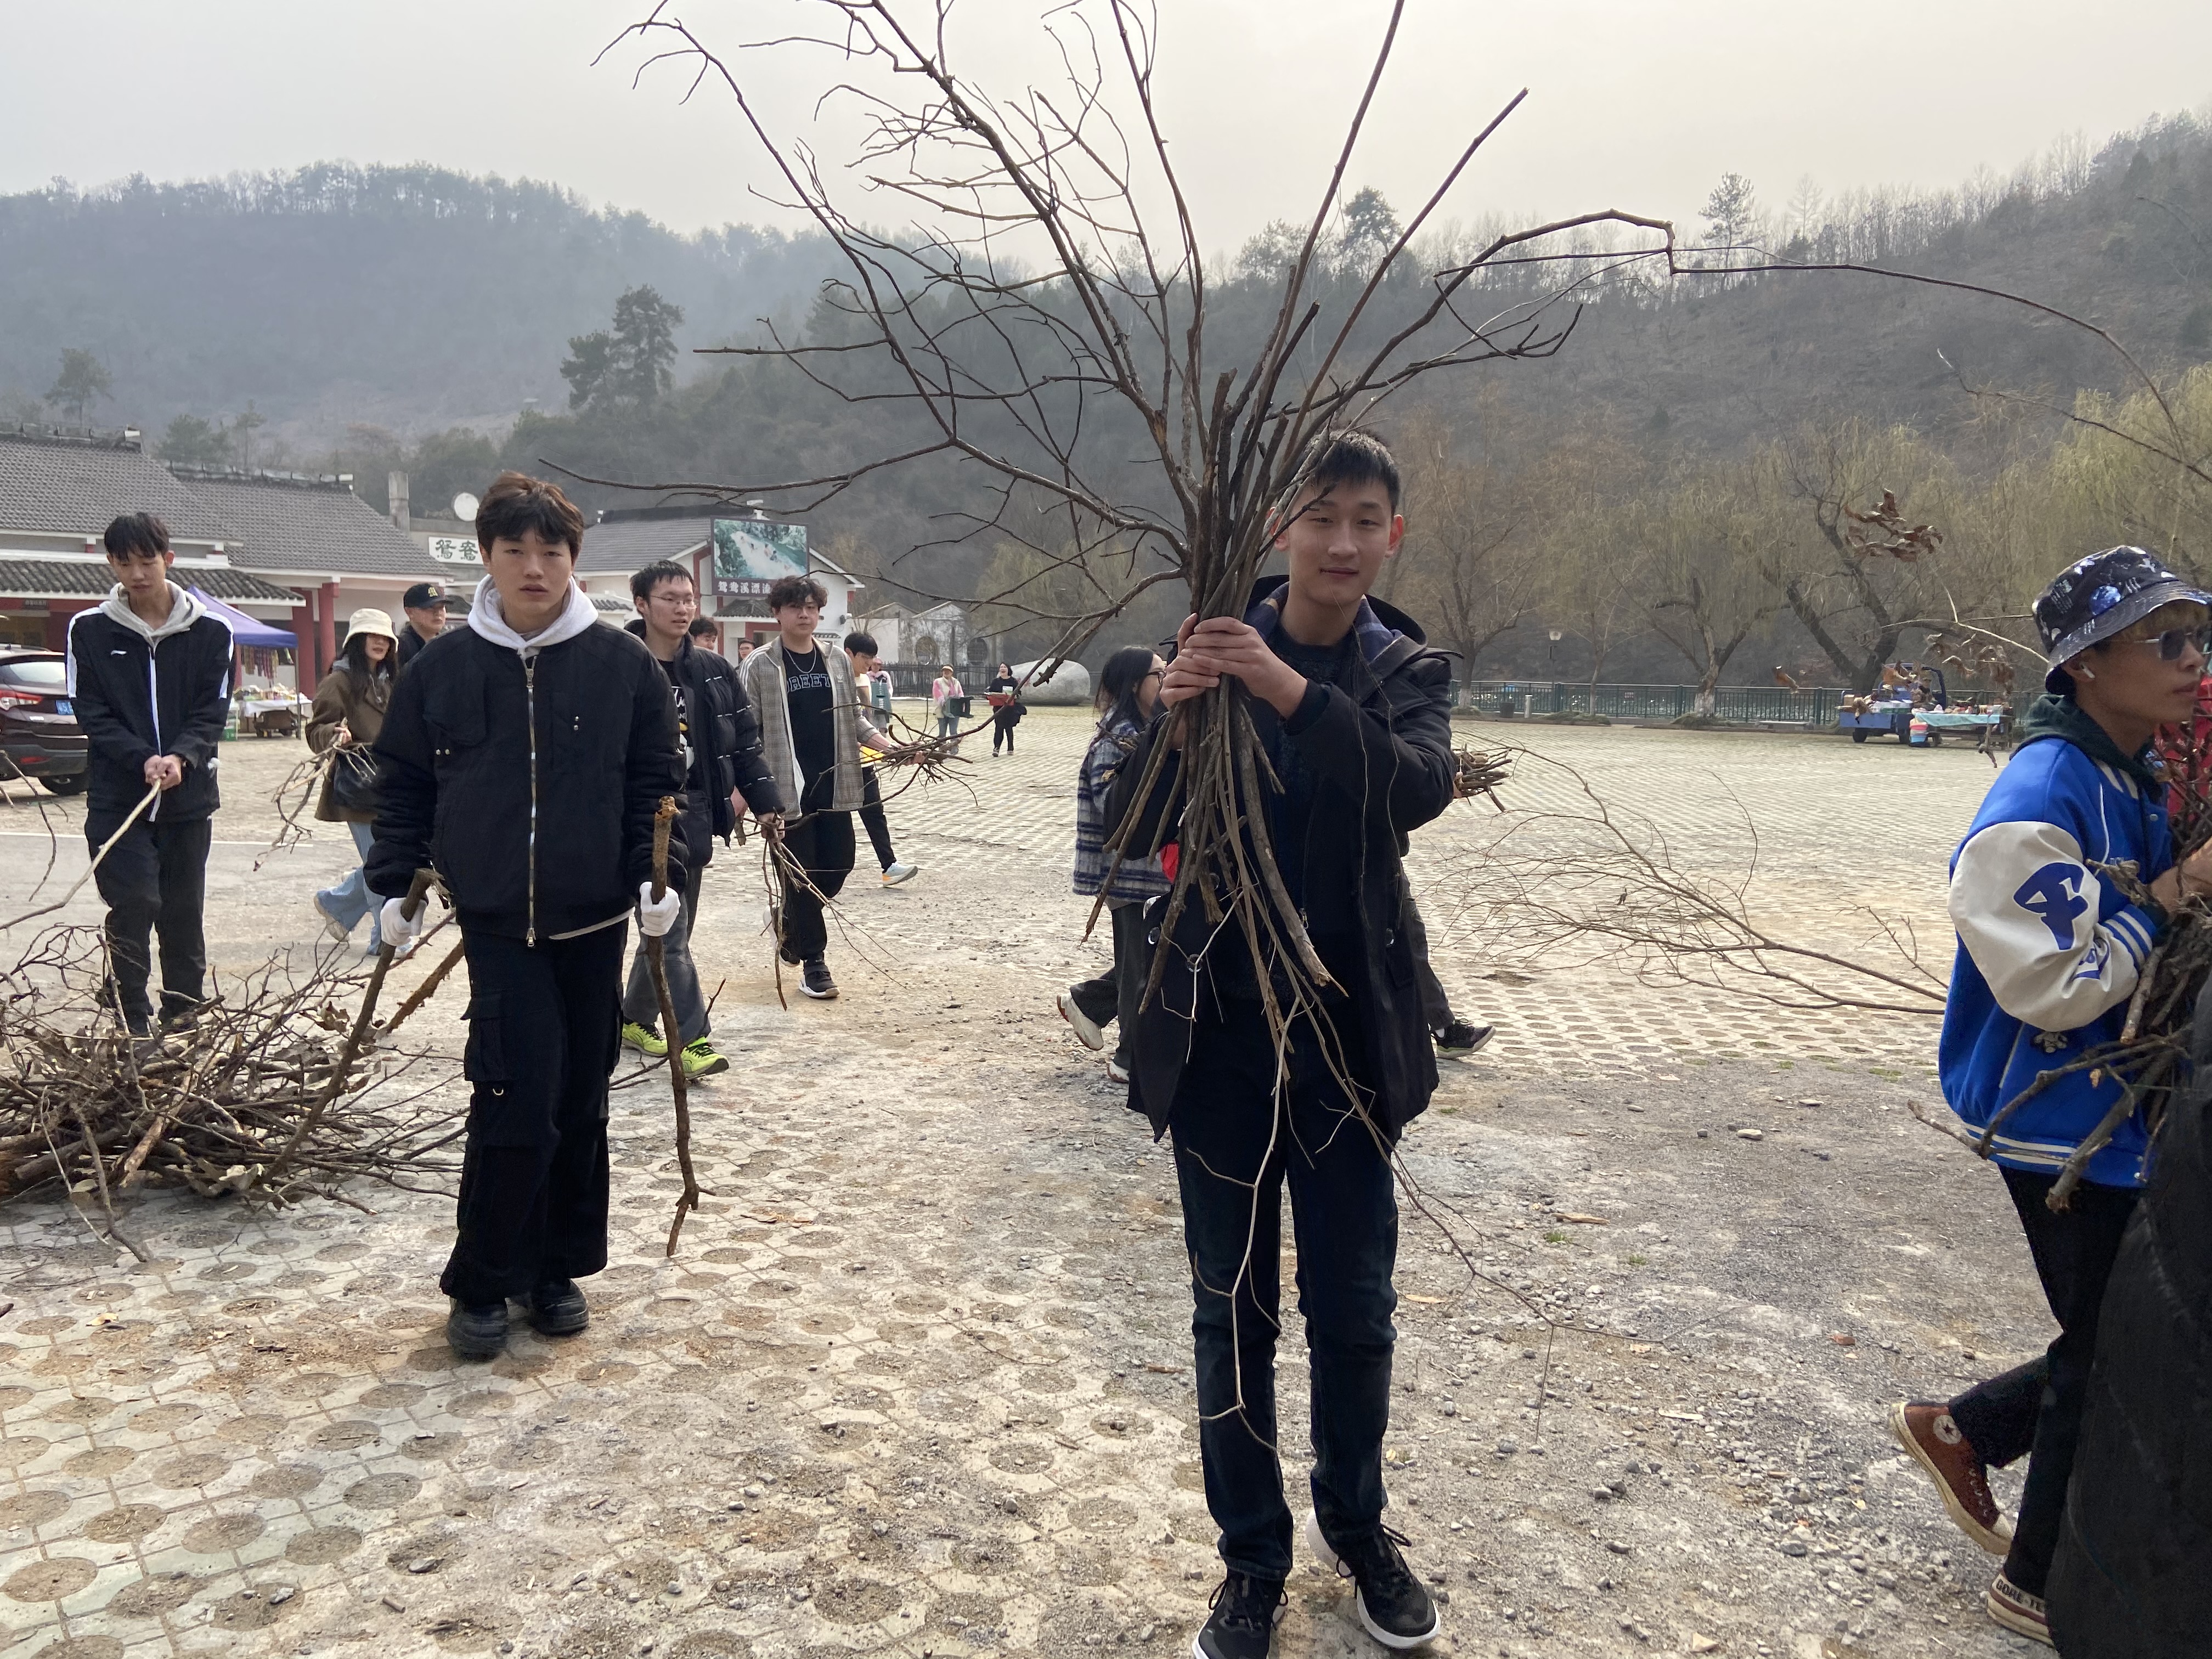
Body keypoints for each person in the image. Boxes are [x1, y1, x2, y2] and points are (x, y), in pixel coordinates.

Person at [1109, 430, 1455, 1659]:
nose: (1345, 542)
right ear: (1279, 528)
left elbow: (1413, 790)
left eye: (1368, 519)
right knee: (1230, 1308)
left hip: (1351, 1040)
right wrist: (1173, 722)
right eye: (1323, 517)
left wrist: (1283, 688)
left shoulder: (1404, 665)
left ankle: (1355, 1528)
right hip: (1222, 1043)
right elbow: (1124, 828)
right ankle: (1249, 1560)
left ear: (1392, 536)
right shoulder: (1200, 656)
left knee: (1355, 1309)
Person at [1889, 546, 2212, 1647]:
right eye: (2163, 642)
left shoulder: (2140, 773)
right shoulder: (2037, 800)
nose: (2189, 660)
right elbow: (2053, 985)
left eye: (2194, 637)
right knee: (2107, 1340)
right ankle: (2031, 1576)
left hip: (2118, 1106)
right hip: (2053, 1115)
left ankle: (1964, 1431)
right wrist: (2173, 893)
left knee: (2116, 1332)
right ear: (2087, 665)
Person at [368, 472, 687, 1361]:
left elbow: (657, 787)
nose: (535, 566)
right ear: (488, 557)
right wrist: (393, 883)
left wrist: (661, 876)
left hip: (594, 922)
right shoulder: (444, 667)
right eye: (517, 549)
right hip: (500, 924)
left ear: (573, 559)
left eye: (552, 550)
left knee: (580, 1101)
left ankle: (557, 1269)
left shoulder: (623, 668)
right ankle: (481, 1278)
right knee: (513, 1099)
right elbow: (404, 785)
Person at [65, 512, 234, 1036]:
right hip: (120, 799)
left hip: (189, 803)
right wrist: (141, 757)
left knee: (183, 915)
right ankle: (132, 1021)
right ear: (111, 564)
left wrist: (181, 756)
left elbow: (212, 710)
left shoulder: (212, 630)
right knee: (135, 901)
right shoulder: (90, 630)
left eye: (147, 561)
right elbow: (89, 711)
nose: (137, 574)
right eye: (125, 563)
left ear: (168, 559)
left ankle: (183, 1017)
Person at [617, 560, 785, 1078]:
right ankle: (691, 1039)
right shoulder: (616, 666)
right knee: (670, 932)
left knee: (669, 929)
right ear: (642, 604)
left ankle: (634, 1017)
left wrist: (765, 802)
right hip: (627, 813)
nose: (683, 607)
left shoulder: (712, 671)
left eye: (689, 598)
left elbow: (747, 744)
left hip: (688, 816)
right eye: (670, 598)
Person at [738, 574, 909, 1000]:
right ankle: (814, 963)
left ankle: (788, 921)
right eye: (795, 607)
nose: (805, 615)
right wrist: (751, 793)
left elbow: (855, 720)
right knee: (800, 878)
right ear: (777, 613)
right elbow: (745, 735)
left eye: (812, 607)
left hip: (834, 786)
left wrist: (891, 749)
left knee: (836, 870)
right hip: (785, 792)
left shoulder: (835, 660)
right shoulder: (761, 665)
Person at [1059, 645, 1170, 1084]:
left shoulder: (1150, 728)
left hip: (1154, 870)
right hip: (1129, 873)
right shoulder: (1118, 740)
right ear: (1133, 685)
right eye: (1158, 675)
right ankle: (1130, 1057)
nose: (1166, 681)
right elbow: (1115, 811)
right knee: (1139, 965)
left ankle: (1089, 1003)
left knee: (1148, 954)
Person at [308, 609, 400, 956]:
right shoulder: (340, 680)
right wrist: (334, 734)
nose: (379, 642)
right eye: (371, 635)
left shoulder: (393, 680)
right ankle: (385, 938)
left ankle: (337, 904)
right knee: (379, 861)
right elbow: (315, 729)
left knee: (388, 857)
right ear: (357, 641)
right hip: (358, 785)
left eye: (385, 637)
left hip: (392, 783)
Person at [843, 631, 918, 887]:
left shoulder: (864, 679)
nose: (869, 664)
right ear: (849, 653)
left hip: (864, 755)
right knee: (836, 819)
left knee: (875, 812)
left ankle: (890, 866)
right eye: (865, 658)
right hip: (839, 763)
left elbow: (863, 720)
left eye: (872, 659)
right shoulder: (837, 680)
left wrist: (892, 750)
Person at [394, 580, 447, 670]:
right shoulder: (399, 648)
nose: (438, 613)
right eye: (430, 607)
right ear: (410, 612)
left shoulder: (448, 645)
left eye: (441, 607)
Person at [986, 661, 1023, 755]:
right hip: (998, 708)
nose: (1002, 669)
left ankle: (1010, 748)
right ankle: (996, 748)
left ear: (1008, 670)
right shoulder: (996, 681)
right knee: (999, 728)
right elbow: (990, 693)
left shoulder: (1013, 681)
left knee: (1009, 728)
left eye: (1005, 667)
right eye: (1001, 667)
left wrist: (1015, 696)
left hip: (1010, 709)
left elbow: (1018, 693)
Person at [930, 663, 964, 743]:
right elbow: (938, 694)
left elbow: (961, 693)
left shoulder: (956, 682)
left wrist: (961, 703)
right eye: (944, 670)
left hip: (954, 711)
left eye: (948, 670)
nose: (946, 672)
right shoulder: (938, 682)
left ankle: (954, 750)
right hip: (942, 710)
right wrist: (945, 703)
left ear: (952, 672)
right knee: (942, 733)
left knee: (954, 733)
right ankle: (942, 751)